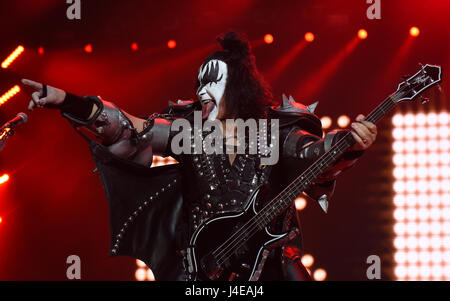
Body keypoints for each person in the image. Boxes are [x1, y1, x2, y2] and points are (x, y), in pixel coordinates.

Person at [21, 32, 377, 281]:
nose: (202, 90)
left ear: (237, 85)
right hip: (200, 272)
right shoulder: (189, 132)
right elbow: (130, 129)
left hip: (269, 266)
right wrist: (67, 100)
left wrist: (351, 141)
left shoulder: (274, 132)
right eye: (198, 83)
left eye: (211, 81)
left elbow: (313, 155)